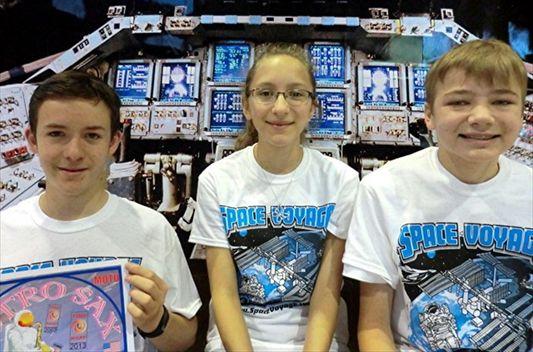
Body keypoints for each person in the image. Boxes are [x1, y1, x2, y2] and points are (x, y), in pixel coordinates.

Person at [342, 39, 532, 351]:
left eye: (501, 102)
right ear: (428, 114)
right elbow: (373, 328)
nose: (481, 117)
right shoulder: (385, 189)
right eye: (459, 102)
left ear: (522, 112)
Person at [0, 71, 201, 352]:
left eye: (92, 135)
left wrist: (157, 320)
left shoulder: (151, 228)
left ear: (113, 142)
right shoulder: (4, 232)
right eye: (56, 134)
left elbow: (184, 339)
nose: (74, 152)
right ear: (32, 140)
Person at [190, 43, 359, 351]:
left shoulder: (341, 181)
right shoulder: (216, 180)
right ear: (246, 104)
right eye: (266, 93)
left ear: (313, 106)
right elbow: (224, 293)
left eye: (296, 94)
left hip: (318, 340)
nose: (280, 108)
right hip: (238, 339)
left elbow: (328, 289)